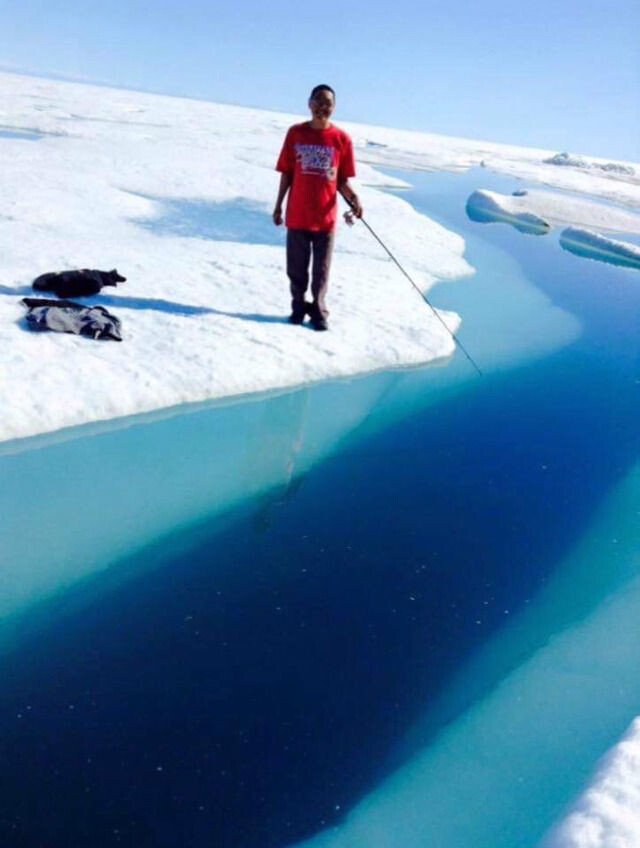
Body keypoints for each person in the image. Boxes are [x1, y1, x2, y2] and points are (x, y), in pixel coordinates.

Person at [273, 84, 363, 331]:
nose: (323, 107)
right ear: (309, 103)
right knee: (296, 270)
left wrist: (354, 199)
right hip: (298, 215)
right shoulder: (295, 134)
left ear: (334, 107)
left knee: (321, 273)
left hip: (325, 219)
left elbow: (341, 180)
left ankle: (319, 312)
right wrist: (278, 205)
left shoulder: (341, 139)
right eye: (319, 102)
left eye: (328, 103)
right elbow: (287, 174)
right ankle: (298, 308)